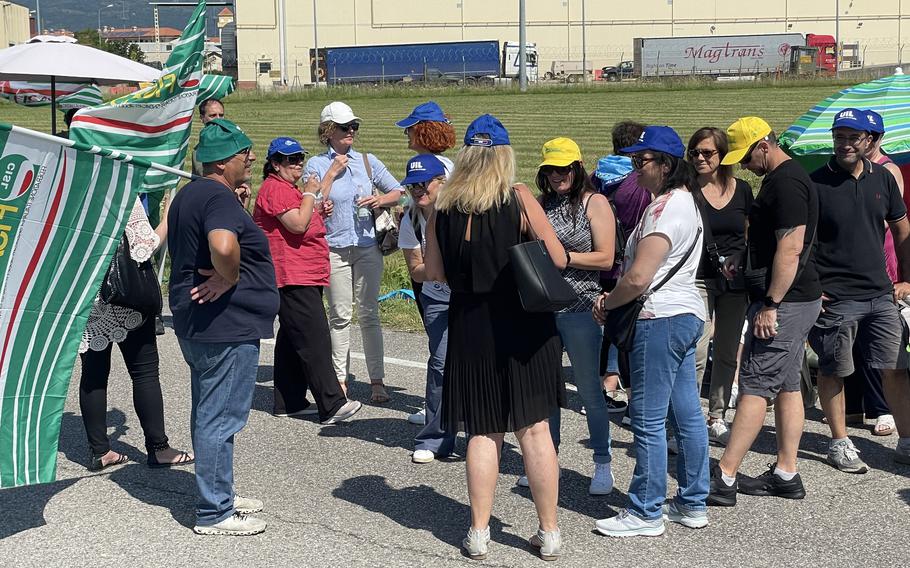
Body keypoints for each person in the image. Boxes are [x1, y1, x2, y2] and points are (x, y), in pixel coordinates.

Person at [423, 114, 566, 561]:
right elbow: (558, 259)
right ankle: (549, 532)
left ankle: (479, 532)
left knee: (482, 432)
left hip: (470, 324)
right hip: (523, 322)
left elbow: (434, 273)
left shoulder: (443, 206)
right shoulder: (519, 198)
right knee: (535, 430)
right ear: (504, 155)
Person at [593, 125, 708, 537]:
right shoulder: (686, 203)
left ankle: (645, 510)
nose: (635, 168)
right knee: (687, 413)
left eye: (642, 161)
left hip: (660, 318)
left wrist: (609, 302)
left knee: (647, 417)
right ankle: (693, 500)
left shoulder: (663, 209)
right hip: (685, 313)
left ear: (666, 165)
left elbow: (639, 276)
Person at [168, 118, 279, 536]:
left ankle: (220, 492)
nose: (251, 158)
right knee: (220, 418)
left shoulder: (191, 194)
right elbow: (223, 245)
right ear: (220, 163)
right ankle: (214, 512)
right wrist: (228, 277)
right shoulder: (218, 198)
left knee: (208, 413)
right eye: (243, 153)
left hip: (199, 323)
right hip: (225, 326)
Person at [707, 117, 821, 507]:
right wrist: (745, 256)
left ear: (764, 145)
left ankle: (724, 476)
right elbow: (773, 244)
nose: (742, 167)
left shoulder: (787, 184)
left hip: (786, 301)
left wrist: (771, 304)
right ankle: (787, 473)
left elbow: (791, 247)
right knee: (788, 384)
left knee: (755, 385)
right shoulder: (782, 179)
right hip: (797, 296)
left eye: (745, 157)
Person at [807, 108, 910, 473]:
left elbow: (901, 230)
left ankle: (907, 441)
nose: (845, 144)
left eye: (853, 137)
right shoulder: (816, 183)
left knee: (896, 367)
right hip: (836, 296)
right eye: (839, 136)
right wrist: (813, 288)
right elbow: (802, 242)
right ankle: (839, 442)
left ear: (870, 141)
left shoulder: (882, 178)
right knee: (834, 369)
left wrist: (906, 278)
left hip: (881, 293)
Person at [252, 136, 362, 425]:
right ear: (275, 164)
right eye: (290, 159)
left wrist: (314, 205)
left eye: (300, 157)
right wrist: (311, 196)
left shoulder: (288, 188)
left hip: (305, 272)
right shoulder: (274, 188)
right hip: (291, 274)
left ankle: (288, 400)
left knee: (292, 338)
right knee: (314, 338)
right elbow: (297, 225)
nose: (298, 163)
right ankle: (332, 403)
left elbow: (304, 214)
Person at [79, 196, 193, 471]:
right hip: (124, 298)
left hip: (85, 297)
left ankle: (99, 450)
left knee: (93, 373)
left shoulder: (69, 191)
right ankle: (158, 447)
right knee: (144, 372)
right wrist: (168, 217)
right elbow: (144, 247)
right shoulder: (119, 190)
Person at [305, 101, 404, 403]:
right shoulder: (316, 165)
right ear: (328, 131)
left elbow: (398, 190)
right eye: (345, 127)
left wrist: (380, 200)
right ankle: (340, 380)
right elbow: (309, 201)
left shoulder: (367, 161)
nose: (351, 132)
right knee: (340, 316)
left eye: (354, 127)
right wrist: (331, 178)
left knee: (369, 314)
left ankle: (377, 380)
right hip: (334, 247)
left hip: (366, 247)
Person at [536, 137, 617, 495]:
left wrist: (564, 258)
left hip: (582, 307)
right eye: (551, 170)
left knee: (588, 390)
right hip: (543, 308)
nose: (558, 175)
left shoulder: (594, 202)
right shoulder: (542, 205)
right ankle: (546, 460)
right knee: (546, 392)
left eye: (564, 168)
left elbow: (606, 258)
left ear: (578, 167)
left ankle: (602, 462)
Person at [687, 127, 752, 445]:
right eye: (695, 152)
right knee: (697, 350)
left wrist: (741, 254)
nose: (700, 158)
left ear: (723, 155)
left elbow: (749, 232)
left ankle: (717, 416)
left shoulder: (742, 190)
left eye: (707, 152)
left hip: (734, 281)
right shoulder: (686, 190)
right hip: (698, 277)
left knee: (727, 351)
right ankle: (688, 420)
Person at [841, 109, 903, 436]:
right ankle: (853, 406)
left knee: (878, 343)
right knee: (851, 340)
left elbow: (886, 220)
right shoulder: (847, 172)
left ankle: (881, 408)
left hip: (882, 261)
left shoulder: (887, 171)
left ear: (874, 139)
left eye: (869, 137)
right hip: (852, 268)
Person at [395, 101, 457, 426]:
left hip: (440, 275)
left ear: (423, 130)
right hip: (431, 266)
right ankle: (444, 407)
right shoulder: (447, 164)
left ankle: (442, 409)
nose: (406, 134)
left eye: (410, 128)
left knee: (443, 350)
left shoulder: (436, 167)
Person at [592, 120, 652, 415]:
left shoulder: (596, 175)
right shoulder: (637, 184)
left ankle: (605, 382)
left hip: (601, 261)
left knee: (607, 323)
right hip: (628, 263)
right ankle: (622, 387)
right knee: (625, 327)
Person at [192, 98, 250, 208]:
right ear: (202, 118)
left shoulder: (235, 146)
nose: (218, 120)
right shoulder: (198, 152)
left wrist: (243, 188)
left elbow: (246, 180)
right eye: (213, 116)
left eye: (221, 115)